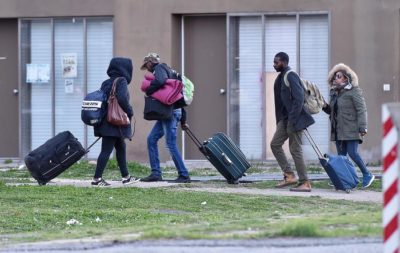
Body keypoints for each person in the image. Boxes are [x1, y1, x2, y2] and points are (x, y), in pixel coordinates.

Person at [140, 53, 191, 183]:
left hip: (170, 113)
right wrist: (183, 120)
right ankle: (156, 173)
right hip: (171, 112)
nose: (147, 69)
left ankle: (184, 175)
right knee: (151, 139)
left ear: (150, 62)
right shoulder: (171, 71)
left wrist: (149, 90)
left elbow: (160, 81)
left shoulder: (160, 68)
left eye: (146, 66)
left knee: (170, 144)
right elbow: (177, 97)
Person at [323, 63, 375, 188]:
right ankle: (345, 179)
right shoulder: (334, 93)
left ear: (346, 78)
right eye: (335, 76)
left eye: (339, 76)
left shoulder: (354, 91)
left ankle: (367, 174)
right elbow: (332, 111)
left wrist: (363, 127)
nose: (336, 78)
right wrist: (324, 106)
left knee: (352, 153)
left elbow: (362, 109)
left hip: (352, 128)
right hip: (338, 130)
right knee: (342, 157)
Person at [270, 52, 315, 192]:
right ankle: (289, 175)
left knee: (295, 149)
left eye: (276, 62)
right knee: (275, 144)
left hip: (293, 120)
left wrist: (293, 119)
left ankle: (305, 182)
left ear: (284, 62)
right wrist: (281, 120)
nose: (274, 65)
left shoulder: (290, 75)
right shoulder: (281, 76)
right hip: (285, 120)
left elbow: (299, 98)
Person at [91, 57, 139, 186]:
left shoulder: (106, 82)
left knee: (121, 147)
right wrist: (130, 111)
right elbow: (122, 99)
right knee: (106, 150)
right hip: (114, 122)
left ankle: (126, 177)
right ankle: (96, 179)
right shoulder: (121, 81)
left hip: (107, 121)